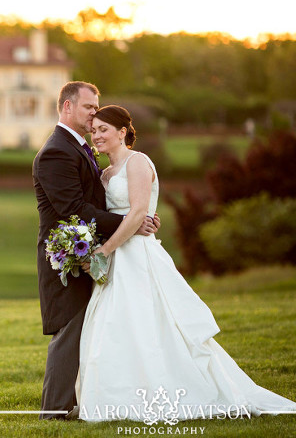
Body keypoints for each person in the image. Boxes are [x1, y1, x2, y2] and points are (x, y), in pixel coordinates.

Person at [76, 105, 296, 421]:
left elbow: (138, 212)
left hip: (137, 256)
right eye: (93, 130)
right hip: (115, 262)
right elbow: (113, 216)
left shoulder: (138, 163)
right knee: (115, 326)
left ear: (122, 132)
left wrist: (106, 250)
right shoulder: (106, 174)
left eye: (103, 129)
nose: (96, 135)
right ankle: (118, 398)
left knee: (152, 324)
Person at [32, 82, 159, 420]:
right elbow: (72, 207)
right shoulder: (57, 150)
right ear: (68, 107)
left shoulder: (79, 147)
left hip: (92, 251)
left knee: (93, 329)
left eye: (96, 108)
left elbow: (96, 200)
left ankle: (82, 401)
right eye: (89, 108)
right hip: (69, 256)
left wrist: (133, 216)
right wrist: (129, 221)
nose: (93, 114)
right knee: (70, 328)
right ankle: (53, 411)